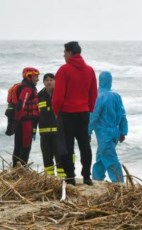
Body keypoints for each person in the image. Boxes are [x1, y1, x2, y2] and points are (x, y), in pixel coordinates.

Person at [52, 41, 97, 186]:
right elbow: (93, 93)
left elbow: (58, 95)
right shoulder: (89, 70)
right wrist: (88, 108)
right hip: (83, 112)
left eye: (64, 52)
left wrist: (56, 112)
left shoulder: (64, 70)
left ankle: (70, 177)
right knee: (84, 144)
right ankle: (87, 177)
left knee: (66, 146)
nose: (63, 55)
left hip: (67, 113)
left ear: (70, 53)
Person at [88, 71, 128, 183]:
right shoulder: (116, 96)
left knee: (110, 158)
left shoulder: (98, 96)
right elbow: (122, 114)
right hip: (115, 131)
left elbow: (93, 116)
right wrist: (123, 131)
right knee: (101, 157)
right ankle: (97, 179)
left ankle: (119, 182)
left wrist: (88, 131)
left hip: (103, 133)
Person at [37, 73, 66, 178]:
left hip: (58, 133)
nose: (49, 82)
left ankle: (63, 179)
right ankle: (50, 179)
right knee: (47, 158)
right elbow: (36, 114)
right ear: (43, 82)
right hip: (44, 134)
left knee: (60, 158)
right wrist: (32, 130)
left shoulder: (60, 93)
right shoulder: (39, 96)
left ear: (55, 81)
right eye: (46, 80)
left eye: (51, 80)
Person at [12, 67, 40, 167]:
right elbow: (21, 105)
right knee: (25, 146)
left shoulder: (27, 87)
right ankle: (21, 169)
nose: (37, 79)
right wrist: (17, 122)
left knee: (19, 146)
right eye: (36, 77)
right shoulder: (27, 89)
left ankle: (16, 169)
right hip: (25, 123)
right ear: (29, 76)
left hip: (24, 122)